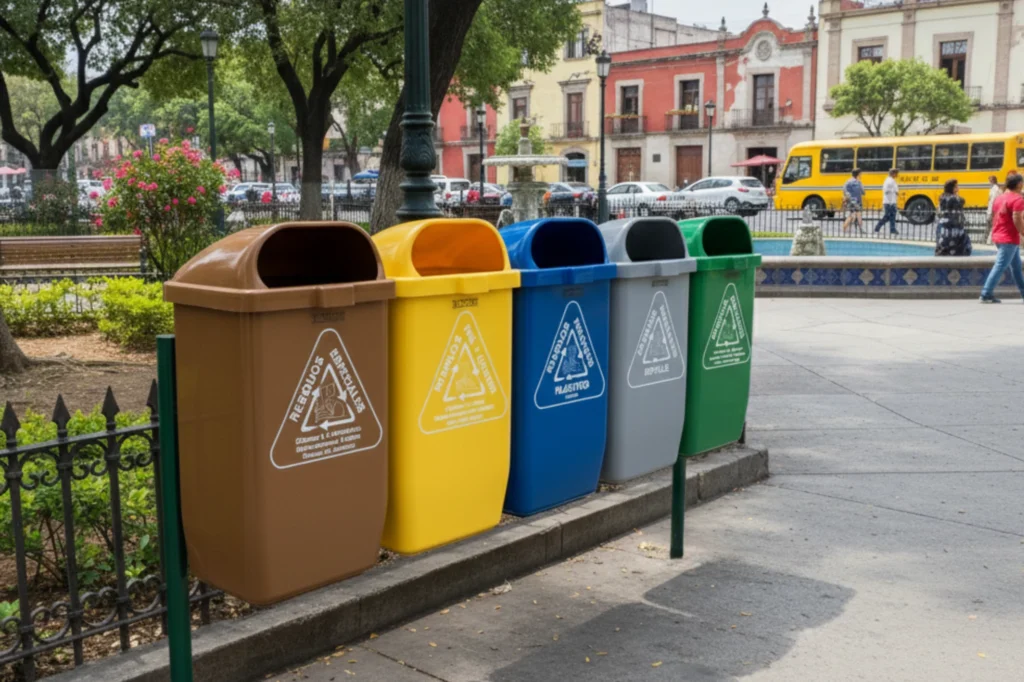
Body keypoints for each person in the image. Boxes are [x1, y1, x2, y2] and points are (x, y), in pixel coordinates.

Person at [980, 172, 1024, 303]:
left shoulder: (1000, 197)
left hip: (999, 235)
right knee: (1000, 266)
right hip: (1008, 237)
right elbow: (1017, 217)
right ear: (1019, 184)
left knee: (1016, 267)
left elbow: (995, 215)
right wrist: (1022, 232)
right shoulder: (1018, 199)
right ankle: (986, 293)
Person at [935, 179, 972, 256]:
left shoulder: (942, 197)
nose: (958, 188)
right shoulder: (955, 198)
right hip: (954, 227)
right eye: (956, 186)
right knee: (958, 246)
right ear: (952, 188)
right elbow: (962, 201)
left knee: (943, 245)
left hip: (943, 226)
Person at [874, 168, 899, 235]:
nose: (897, 175)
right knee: (887, 216)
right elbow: (886, 190)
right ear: (893, 174)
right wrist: (894, 191)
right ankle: (878, 227)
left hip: (892, 201)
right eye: (896, 173)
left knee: (892, 216)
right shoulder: (889, 181)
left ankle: (892, 229)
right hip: (889, 202)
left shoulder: (892, 180)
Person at [841, 169, 865, 233]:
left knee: (854, 214)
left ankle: (859, 228)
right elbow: (863, 192)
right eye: (860, 174)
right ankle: (846, 227)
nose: (861, 175)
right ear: (858, 174)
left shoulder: (848, 181)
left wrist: (847, 197)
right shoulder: (858, 182)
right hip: (857, 201)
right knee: (855, 215)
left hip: (851, 200)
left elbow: (844, 190)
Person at [986, 175, 1001, 245]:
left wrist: (992, 211)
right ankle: (989, 240)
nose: (989, 182)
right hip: (991, 209)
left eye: (990, 180)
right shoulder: (993, 188)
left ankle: (990, 240)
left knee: (992, 225)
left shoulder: (995, 189)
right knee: (991, 225)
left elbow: (993, 200)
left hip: (992, 210)